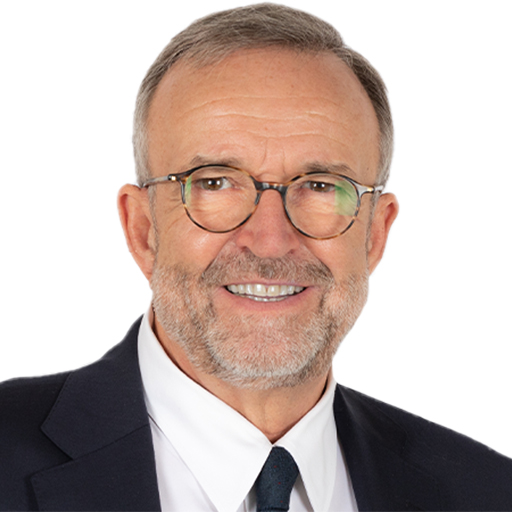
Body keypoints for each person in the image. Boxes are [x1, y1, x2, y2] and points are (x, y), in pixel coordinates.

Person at [1, 3, 511, 511]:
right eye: (215, 183)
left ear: (375, 234)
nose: (269, 240)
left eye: (320, 185)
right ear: (144, 229)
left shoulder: (488, 493)